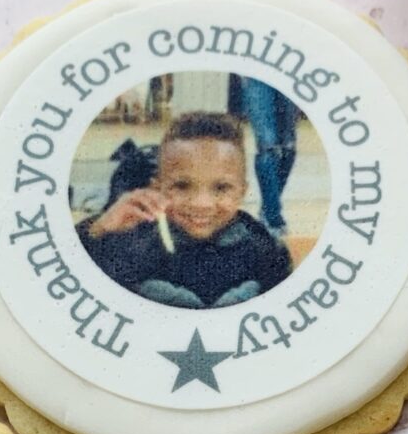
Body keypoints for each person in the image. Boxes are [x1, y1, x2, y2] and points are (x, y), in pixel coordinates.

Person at [78, 111, 291, 309]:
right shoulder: (131, 245)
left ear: (242, 192)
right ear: (157, 187)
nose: (201, 203)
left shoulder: (267, 252)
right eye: (182, 186)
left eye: (221, 187)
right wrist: (97, 229)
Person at [239, 76, 298, 238]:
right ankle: (273, 219)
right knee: (267, 145)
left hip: (288, 74)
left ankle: (267, 210)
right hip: (255, 75)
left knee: (289, 147)